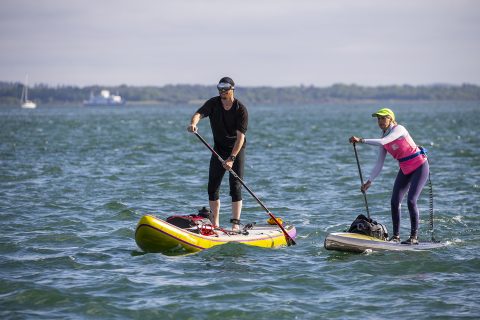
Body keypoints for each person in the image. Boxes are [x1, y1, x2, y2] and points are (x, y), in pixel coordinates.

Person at [349, 108, 429, 244]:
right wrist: (369, 181)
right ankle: (396, 236)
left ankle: (414, 237)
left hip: (420, 167)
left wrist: (361, 140)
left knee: (411, 201)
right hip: (405, 169)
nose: (380, 121)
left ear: (391, 119)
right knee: (394, 201)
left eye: (383, 118)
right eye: (378, 119)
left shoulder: (399, 130)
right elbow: (379, 163)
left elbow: (384, 141)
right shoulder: (383, 138)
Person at [187, 77, 248, 231]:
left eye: (225, 89)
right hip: (218, 149)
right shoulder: (213, 103)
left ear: (232, 89)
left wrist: (232, 159)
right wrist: (193, 124)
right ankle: (216, 225)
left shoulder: (241, 110)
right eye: (219, 89)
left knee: (235, 187)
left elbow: (241, 138)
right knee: (212, 187)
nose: (222, 92)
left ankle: (235, 224)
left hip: (236, 149)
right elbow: (199, 114)